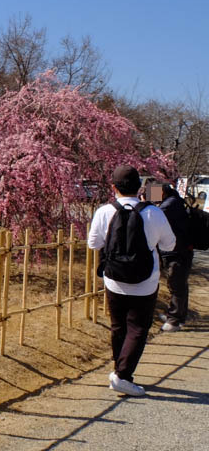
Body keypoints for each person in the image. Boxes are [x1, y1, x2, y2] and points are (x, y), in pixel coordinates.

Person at [88, 165, 176, 396]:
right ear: (139, 188)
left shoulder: (104, 211)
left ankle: (120, 371)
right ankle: (122, 375)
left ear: (113, 187)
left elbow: (93, 244)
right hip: (145, 281)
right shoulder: (154, 212)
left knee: (119, 327)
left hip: (114, 279)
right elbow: (170, 244)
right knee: (137, 328)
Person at [158, 184, 193, 331]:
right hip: (179, 250)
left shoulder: (170, 204)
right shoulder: (174, 201)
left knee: (176, 283)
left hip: (178, 251)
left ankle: (174, 320)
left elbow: (156, 215)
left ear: (162, 192)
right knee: (178, 283)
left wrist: (145, 203)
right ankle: (177, 315)